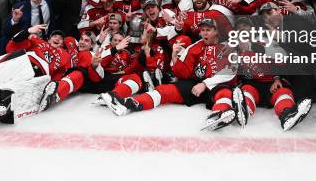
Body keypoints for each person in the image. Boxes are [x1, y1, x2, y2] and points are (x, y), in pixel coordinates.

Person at [102, 18, 238, 131]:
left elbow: (230, 72)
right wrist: (174, 56)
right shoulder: (195, 46)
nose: (204, 33)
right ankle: (131, 103)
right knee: (164, 90)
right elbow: (183, 73)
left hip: (215, 85)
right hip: (195, 84)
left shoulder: (228, 47)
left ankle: (219, 114)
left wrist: (205, 84)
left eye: (208, 30)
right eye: (202, 30)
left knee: (224, 92)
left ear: (216, 32)